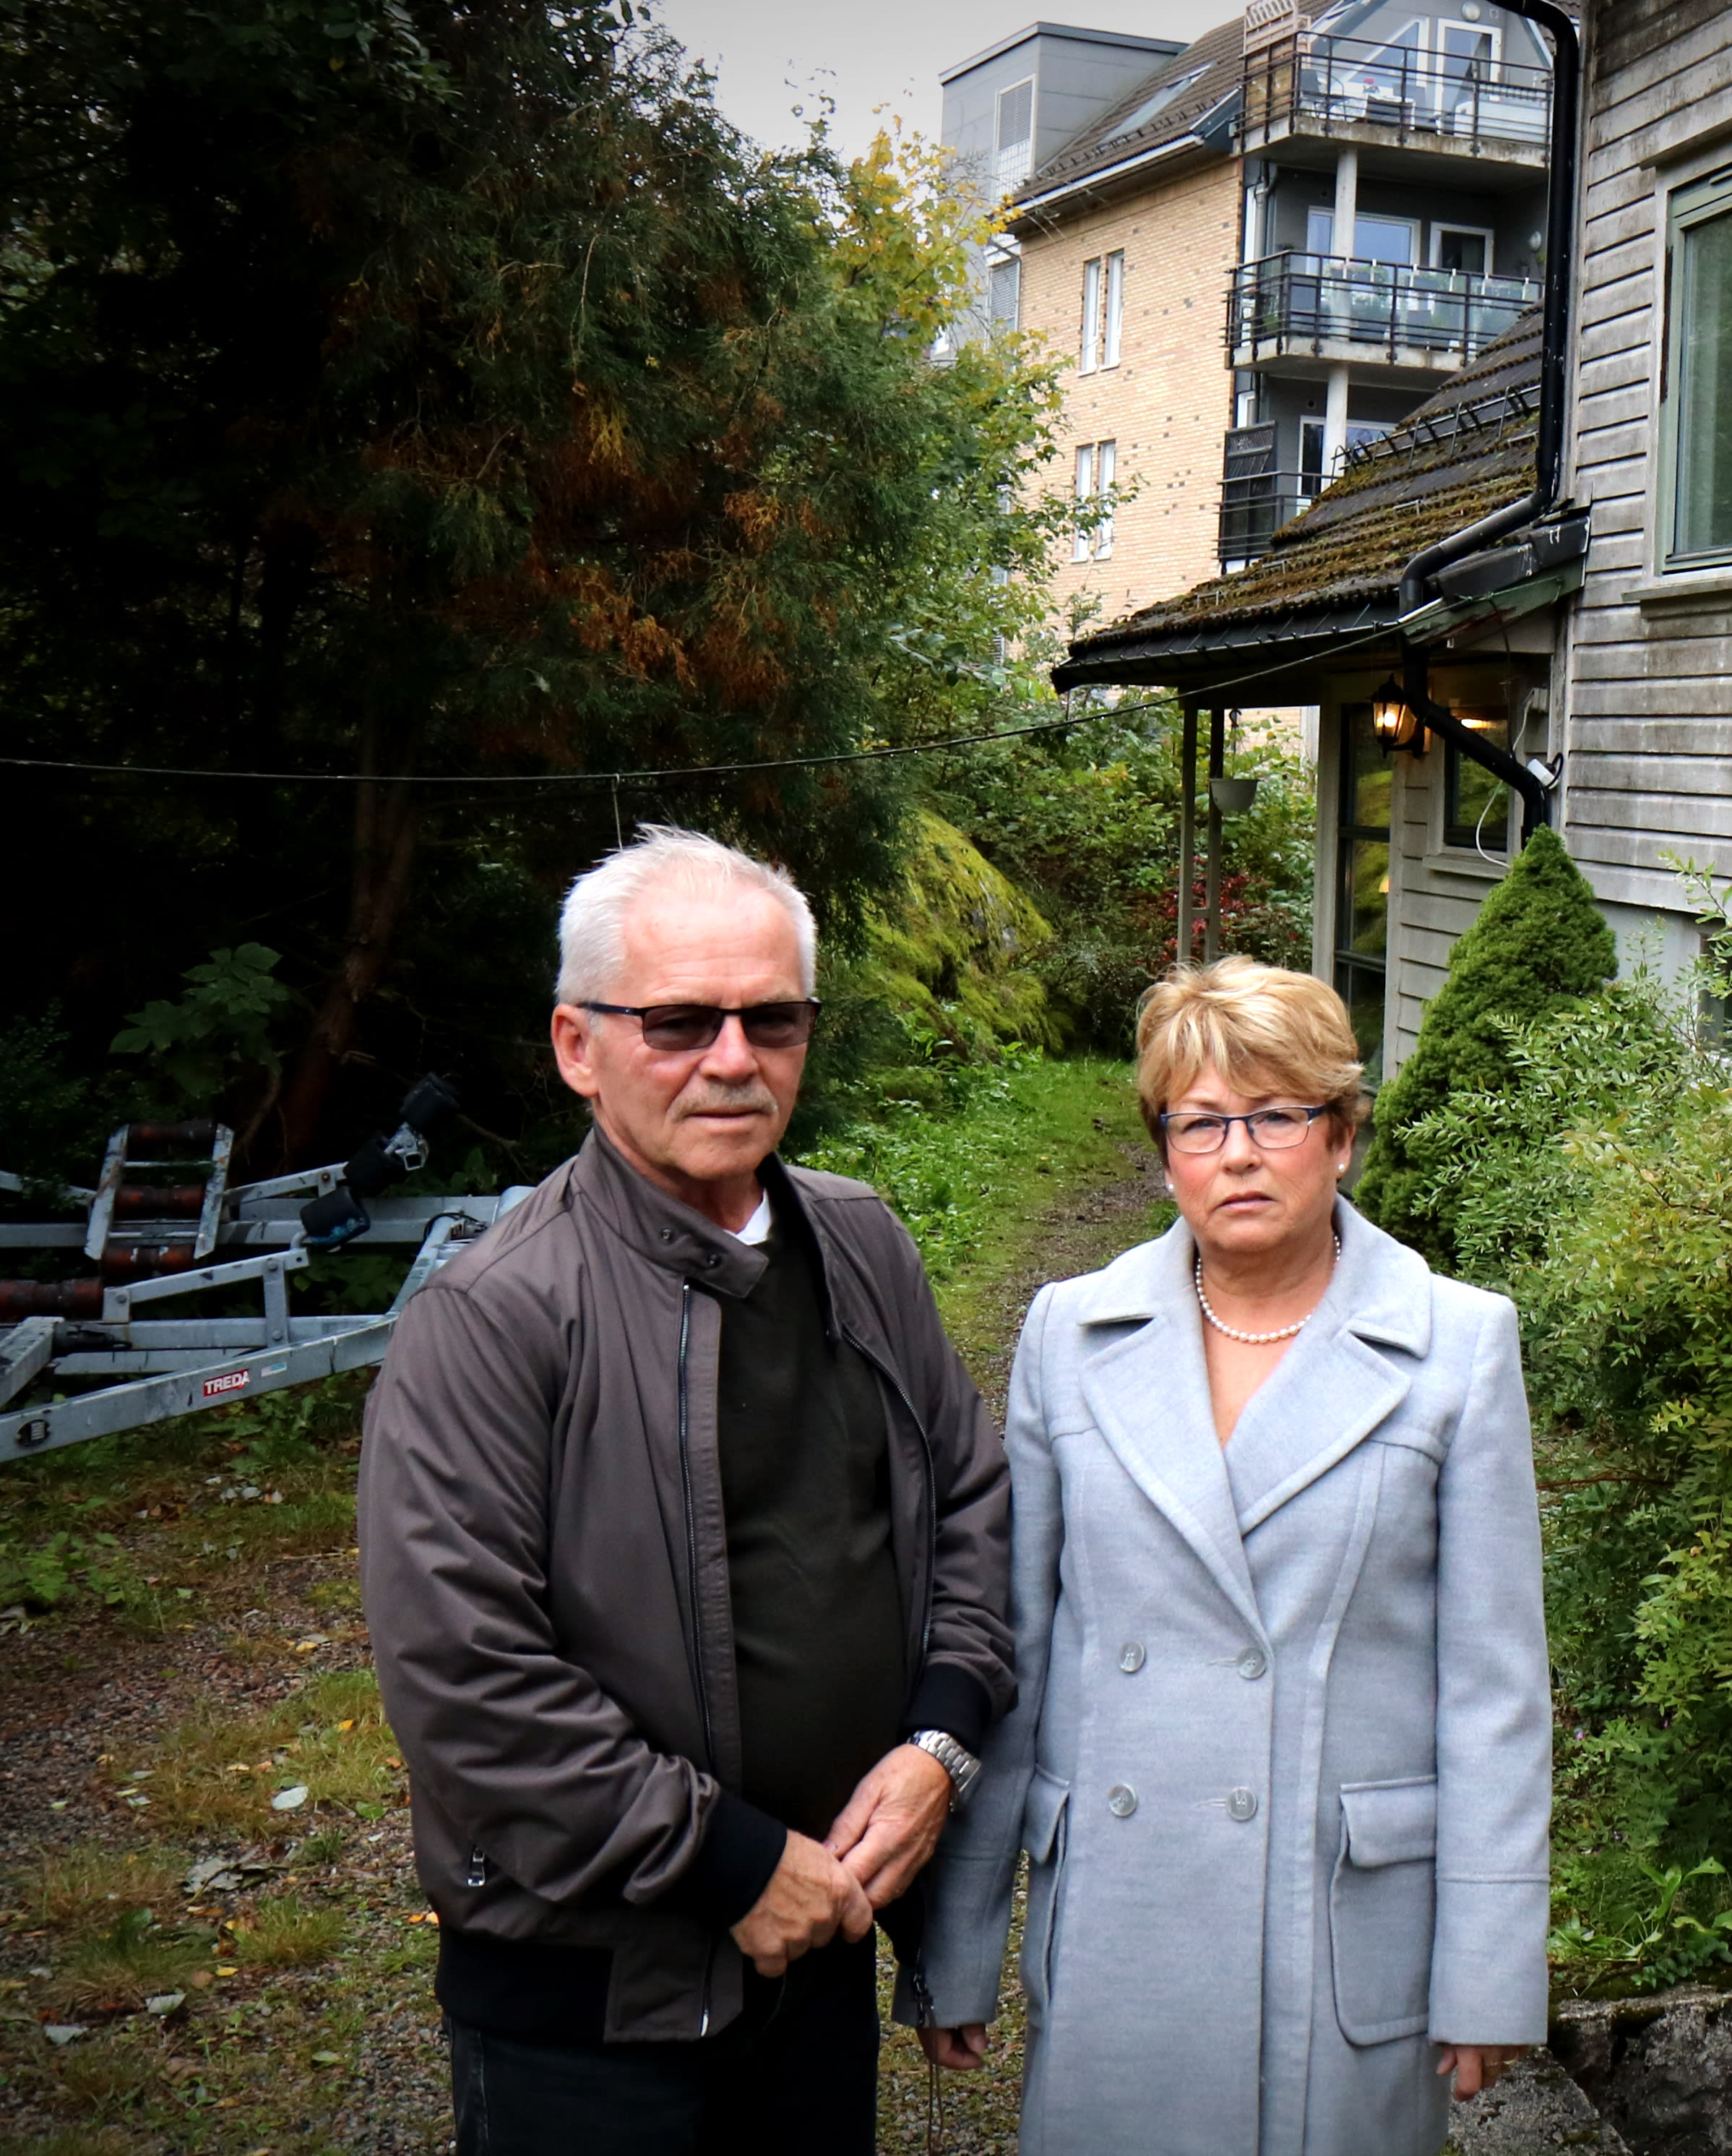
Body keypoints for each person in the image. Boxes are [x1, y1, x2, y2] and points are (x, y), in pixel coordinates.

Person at [362, 827, 1012, 2156]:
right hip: (592, 2004)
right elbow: (465, 1677)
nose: (732, 1059)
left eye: (772, 1019)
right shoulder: (495, 1315)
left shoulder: (859, 1242)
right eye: (678, 1022)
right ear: (577, 1046)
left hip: (818, 1944)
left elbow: (967, 1504)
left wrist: (940, 1744)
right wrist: (731, 1865)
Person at [910, 955, 1551, 2153]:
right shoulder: (1068, 1335)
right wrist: (958, 1942)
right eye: (1201, 1123)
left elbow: (1494, 1693)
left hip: (1330, 1936)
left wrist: (1490, 1966)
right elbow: (1020, 1655)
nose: (1239, 1154)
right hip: (1121, 1920)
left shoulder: (1455, 1347)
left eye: (1277, 1116)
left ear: (1341, 1136)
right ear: (1165, 1153)